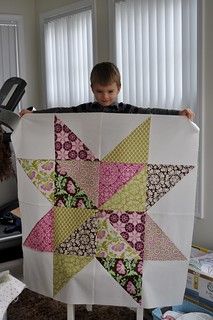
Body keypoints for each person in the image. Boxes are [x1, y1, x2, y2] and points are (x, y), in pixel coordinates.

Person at [19, 62, 194, 119]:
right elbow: (61, 112)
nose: (105, 96)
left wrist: (178, 113)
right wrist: (34, 114)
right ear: (92, 89)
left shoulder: (126, 110)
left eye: (110, 91)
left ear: (118, 88)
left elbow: (149, 113)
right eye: (99, 91)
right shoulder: (85, 109)